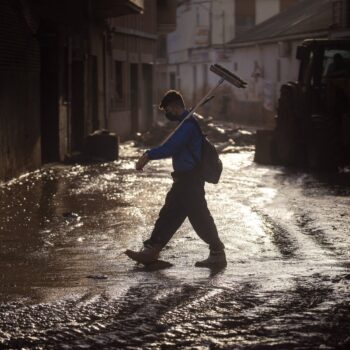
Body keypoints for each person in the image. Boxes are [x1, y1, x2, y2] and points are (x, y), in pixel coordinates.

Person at [126, 90, 226, 268]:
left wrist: (148, 155)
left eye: (168, 110)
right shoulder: (184, 124)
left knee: (200, 218)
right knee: (168, 215)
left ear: (174, 107)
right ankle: (152, 250)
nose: (167, 114)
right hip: (183, 180)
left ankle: (217, 253)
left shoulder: (187, 126)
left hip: (190, 181)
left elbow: (171, 147)